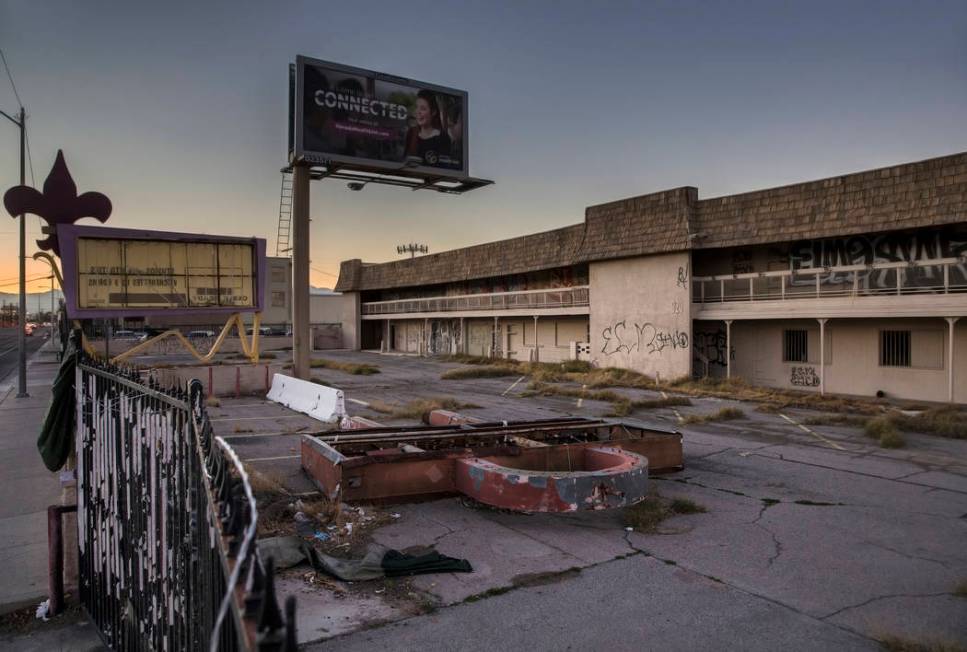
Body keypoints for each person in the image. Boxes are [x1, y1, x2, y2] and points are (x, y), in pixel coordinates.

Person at [405, 89, 451, 167]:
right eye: (417, 107)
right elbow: (404, 161)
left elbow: (445, 167)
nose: (418, 112)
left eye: (423, 108)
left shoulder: (443, 138)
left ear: (433, 112)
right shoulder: (411, 132)